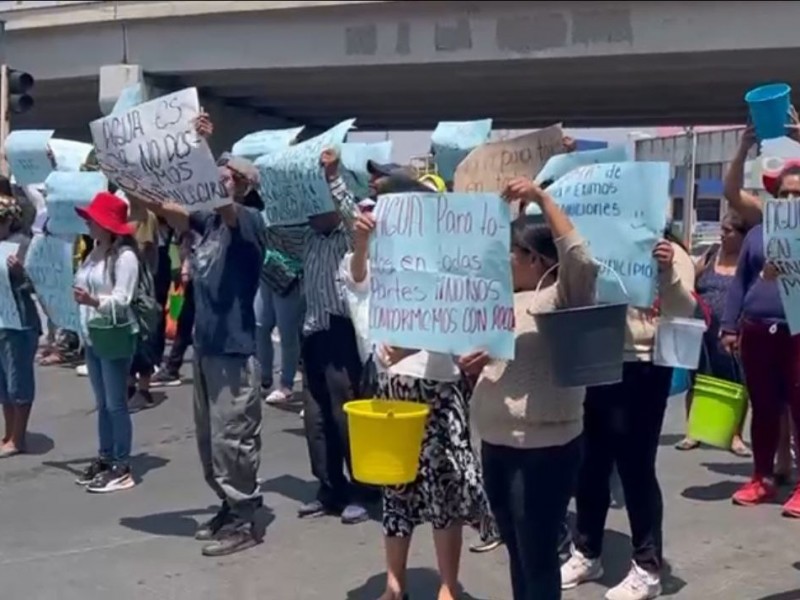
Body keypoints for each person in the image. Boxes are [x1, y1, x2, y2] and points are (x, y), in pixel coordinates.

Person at [342, 173, 494, 600]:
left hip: (442, 387)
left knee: (444, 489)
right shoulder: (380, 251)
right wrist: (361, 244)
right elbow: (357, 283)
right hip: (395, 391)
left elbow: (465, 317)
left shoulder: (449, 257)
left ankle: (448, 586)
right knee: (397, 489)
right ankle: (395, 583)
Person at [133, 147, 270, 557]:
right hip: (207, 350)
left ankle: (245, 516)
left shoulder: (246, 222)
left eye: (226, 175)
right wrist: (121, 166)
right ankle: (229, 505)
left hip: (234, 350)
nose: (217, 179)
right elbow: (158, 203)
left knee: (234, 438)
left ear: (241, 186)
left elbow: (225, 204)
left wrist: (205, 149)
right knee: (210, 441)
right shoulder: (206, 223)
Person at [470, 178, 598, 600]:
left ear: (536, 259)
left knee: (537, 552)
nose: (506, 258)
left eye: (514, 251)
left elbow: (579, 259)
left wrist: (542, 199)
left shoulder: (563, 297)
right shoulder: (499, 299)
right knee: (516, 549)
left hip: (543, 448)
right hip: (495, 442)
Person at [562, 230, 696, 600]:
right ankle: (587, 552)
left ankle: (648, 567)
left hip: (644, 367)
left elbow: (684, 309)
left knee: (636, 468)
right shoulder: (600, 249)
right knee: (590, 465)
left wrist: (665, 271)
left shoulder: (672, 254)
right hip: (598, 360)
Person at [720, 163, 800, 516]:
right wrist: (729, 326)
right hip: (757, 329)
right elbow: (740, 282)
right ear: (775, 198)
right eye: (785, 193)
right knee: (764, 407)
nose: (792, 199)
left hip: (796, 331)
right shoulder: (757, 234)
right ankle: (762, 477)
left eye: (799, 194)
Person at [72, 192, 140, 493]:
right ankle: (106, 455)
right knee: (102, 404)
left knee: (115, 404)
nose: (88, 223)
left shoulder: (125, 257)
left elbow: (123, 299)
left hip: (113, 335)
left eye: (93, 219)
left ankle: (122, 464)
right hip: (93, 336)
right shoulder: (94, 252)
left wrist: (93, 300)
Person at [676, 211, 751, 455]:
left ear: (742, 235)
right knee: (697, 379)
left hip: (733, 331)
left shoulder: (748, 261)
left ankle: (735, 436)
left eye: (728, 231)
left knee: (736, 381)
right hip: (702, 328)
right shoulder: (710, 255)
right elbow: (690, 280)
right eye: (722, 229)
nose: (722, 235)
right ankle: (693, 432)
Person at [0, 195, 41, 458]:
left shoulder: (23, 245)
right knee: (2, 383)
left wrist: (20, 273)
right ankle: (8, 432)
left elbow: (37, 284)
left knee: (18, 381)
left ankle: (19, 437)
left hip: (20, 323)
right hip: (1, 321)